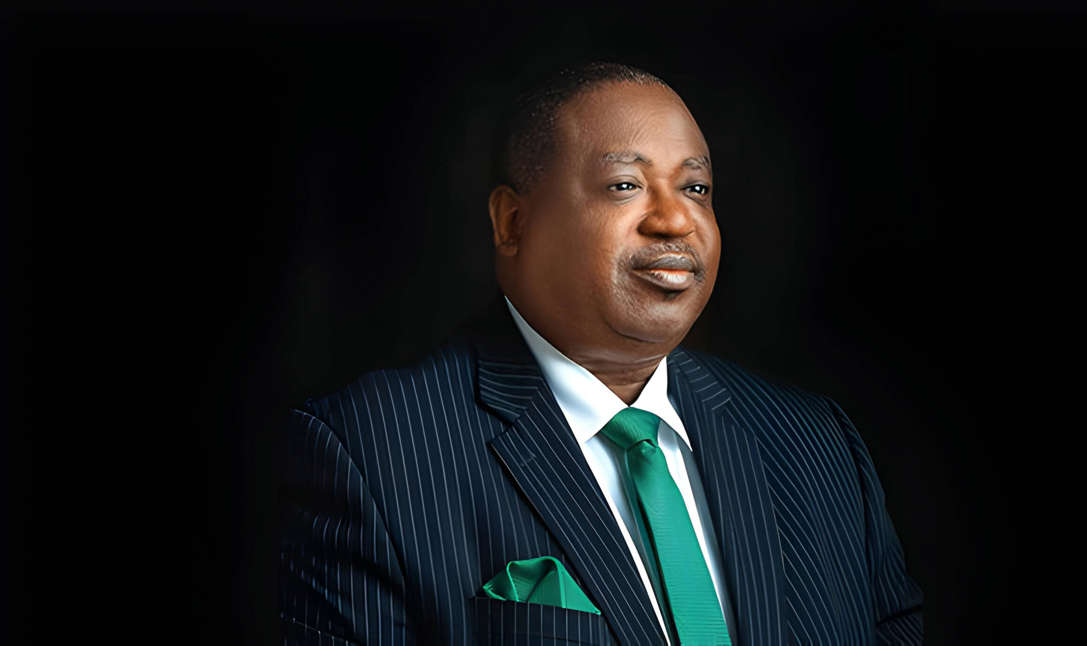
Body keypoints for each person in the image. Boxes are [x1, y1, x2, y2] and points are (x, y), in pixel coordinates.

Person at [279, 62, 923, 645]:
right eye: (624, 185)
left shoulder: (815, 442)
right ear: (512, 223)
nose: (674, 221)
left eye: (696, 188)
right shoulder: (368, 451)